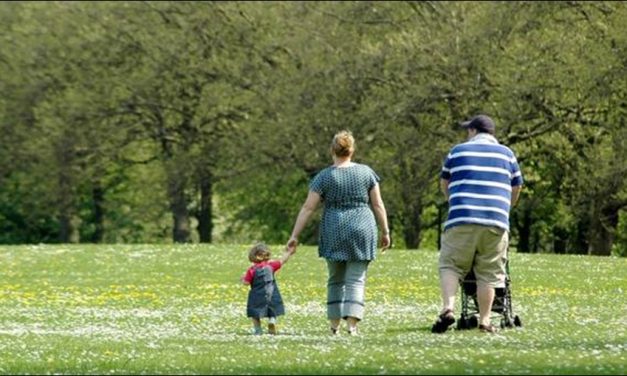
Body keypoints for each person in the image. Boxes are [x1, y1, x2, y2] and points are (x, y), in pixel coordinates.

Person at [286, 130, 390, 336]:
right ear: (352, 150)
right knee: (356, 279)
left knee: (335, 279)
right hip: (362, 227)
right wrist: (385, 231)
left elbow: (308, 208)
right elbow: (377, 204)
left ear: (332, 150)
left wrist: (294, 235)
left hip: (334, 227)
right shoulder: (366, 173)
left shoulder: (324, 177)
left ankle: (334, 325)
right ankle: (352, 325)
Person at [432, 114, 523, 334]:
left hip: (462, 217)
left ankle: (448, 309)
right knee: (489, 273)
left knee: (451, 265)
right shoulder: (508, 154)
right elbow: (516, 187)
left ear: (473, 131)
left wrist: (453, 201)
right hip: (496, 221)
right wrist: (504, 209)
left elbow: (445, 183)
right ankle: (484, 320)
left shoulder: (458, 151)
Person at [241, 242, 294, 335]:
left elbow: (246, 283)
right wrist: (289, 252)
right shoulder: (272, 266)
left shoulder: (252, 270)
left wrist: (242, 279)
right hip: (271, 293)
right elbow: (282, 261)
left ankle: (258, 330)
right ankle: (272, 321)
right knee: (272, 308)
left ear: (253, 256)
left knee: (254, 312)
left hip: (257, 296)